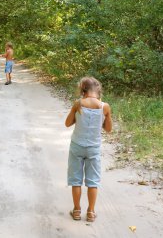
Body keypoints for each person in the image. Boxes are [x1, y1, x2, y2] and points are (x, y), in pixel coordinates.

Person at [64, 77, 112, 222]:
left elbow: (67, 123)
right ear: (98, 90)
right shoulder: (104, 106)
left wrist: (75, 111)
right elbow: (108, 129)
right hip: (93, 148)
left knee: (76, 180)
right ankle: (91, 212)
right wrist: (105, 118)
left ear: (82, 90)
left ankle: (77, 210)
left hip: (77, 146)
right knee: (93, 181)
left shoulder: (78, 104)